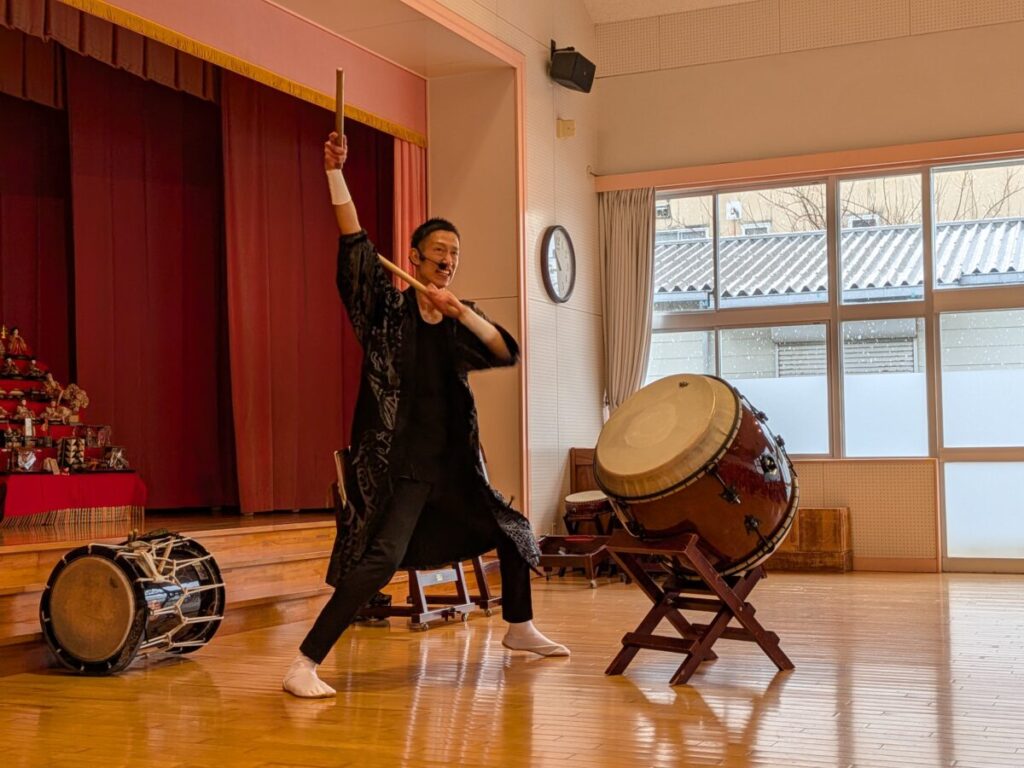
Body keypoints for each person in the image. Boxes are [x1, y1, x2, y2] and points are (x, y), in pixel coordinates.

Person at [282, 133, 568, 699]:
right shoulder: (383, 311)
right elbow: (353, 239)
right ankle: (304, 664)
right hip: (400, 467)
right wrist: (334, 174)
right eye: (439, 249)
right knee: (378, 560)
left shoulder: (460, 321)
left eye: (456, 253)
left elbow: (505, 351)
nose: (448, 259)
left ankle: (521, 628)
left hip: (454, 468)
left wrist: (463, 312)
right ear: (414, 257)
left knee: (512, 531)